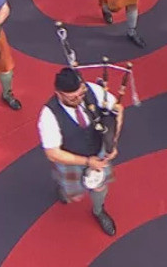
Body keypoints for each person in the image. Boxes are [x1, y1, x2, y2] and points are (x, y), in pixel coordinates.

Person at [38, 67, 120, 236]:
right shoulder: (48, 115)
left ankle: (98, 210)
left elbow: (117, 110)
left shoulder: (92, 90)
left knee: (100, 187)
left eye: (81, 94)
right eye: (72, 97)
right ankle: (63, 189)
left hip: (98, 152)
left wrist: (112, 141)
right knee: (73, 194)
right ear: (58, 93)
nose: (79, 99)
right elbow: (52, 153)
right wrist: (87, 162)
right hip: (70, 159)